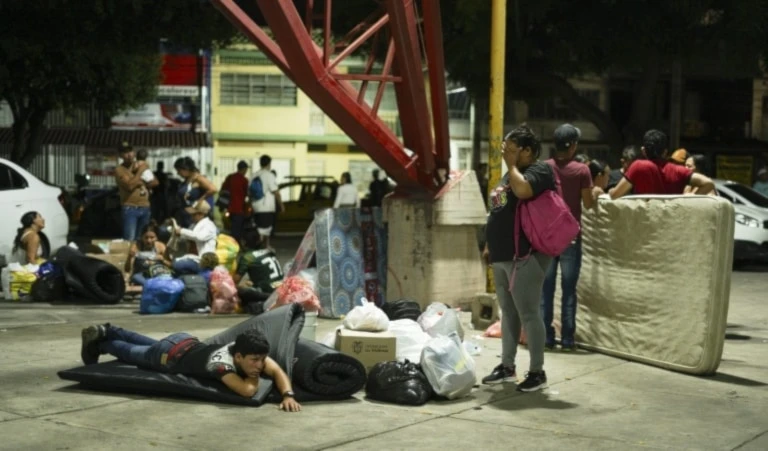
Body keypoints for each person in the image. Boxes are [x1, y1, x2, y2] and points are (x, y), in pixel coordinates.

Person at [481, 124, 556, 392]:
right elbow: (498, 210)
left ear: (527, 151)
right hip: (502, 254)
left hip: (525, 255)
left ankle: (537, 371)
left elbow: (523, 190)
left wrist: (512, 166)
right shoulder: (509, 174)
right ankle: (507, 367)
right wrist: (489, 244)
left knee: (529, 313)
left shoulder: (539, 171)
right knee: (508, 313)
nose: (505, 153)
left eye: (511, 149)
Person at [79, 324, 301, 412]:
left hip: (183, 340)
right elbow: (248, 391)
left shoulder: (243, 346)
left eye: (262, 360)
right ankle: (103, 343)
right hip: (169, 357)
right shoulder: (221, 365)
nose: (260, 365)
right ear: (239, 357)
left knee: (148, 343)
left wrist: (288, 395)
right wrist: (255, 375)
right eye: (254, 361)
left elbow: (277, 371)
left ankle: (107, 329)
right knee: (132, 353)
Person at [540, 124, 593, 351]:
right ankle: (568, 339)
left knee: (546, 289)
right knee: (569, 290)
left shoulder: (543, 167)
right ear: (572, 146)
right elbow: (588, 203)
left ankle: (546, 337)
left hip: (547, 238)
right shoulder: (582, 170)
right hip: (570, 237)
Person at [610, 130, 715, 198]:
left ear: (643, 151)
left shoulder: (637, 166)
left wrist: (610, 191)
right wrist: (690, 200)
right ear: (665, 152)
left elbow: (615, 195)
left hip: (645, 223)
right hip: (671, 224)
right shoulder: (679, 170)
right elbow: (709, 183)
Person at [115, 142, 152, 241]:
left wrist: (139, 180)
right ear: (120, 155)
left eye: (130, 151)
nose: (129, 154)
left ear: (134, 152)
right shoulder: (120, 169)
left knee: (143, 238)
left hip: (145, 206)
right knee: (130, 239)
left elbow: (154, 182)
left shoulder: (140, 164)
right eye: (125, 152)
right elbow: (130, 186)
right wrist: (140, 172)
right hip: (130, 207)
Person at [171, 200, 218, 275]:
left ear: (201, 214)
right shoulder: (194, 225)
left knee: (177, 265)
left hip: (203, 261)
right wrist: (178, 233)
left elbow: (200, 237)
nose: (191, 216)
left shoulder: (209, 225)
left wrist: (182, 231)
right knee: (174, 265)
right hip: (192, 258)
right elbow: (187, 237)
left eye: (194, 214)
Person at [233, 228, 284, 293]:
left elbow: (235, 281)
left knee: (237, 289)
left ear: (243, 242)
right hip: (282, 287)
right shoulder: (269, 251)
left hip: (268, 293)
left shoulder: (248, 257)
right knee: (248, 282)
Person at [251, 155, 284, 250]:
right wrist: (281, 205)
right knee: (265, 230)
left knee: (261, 228)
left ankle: (265, 246)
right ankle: (261, 247)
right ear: (269, 163)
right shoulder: (269, 175)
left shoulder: (253, 175)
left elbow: (249, 193)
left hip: (256, 207)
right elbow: (276, 192)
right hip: (266, 207)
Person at [174, 157, 217, 227]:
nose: (178, 173)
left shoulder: (198, 178)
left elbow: (213, 189)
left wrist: (200, 200)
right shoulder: (187, 180)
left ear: (186, 169)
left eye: (179, 170)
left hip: (195, 216)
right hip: (184, 215)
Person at [125, 222, 172, 286]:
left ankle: (153, 285)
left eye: (152, 237)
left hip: (157, 274)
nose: (149, 241)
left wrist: (163, 260)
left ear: (157, 237)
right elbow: (127, 269)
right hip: (141, 275)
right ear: (142, 237)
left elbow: (171, 265)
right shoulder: (136, 246)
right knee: (135, 277)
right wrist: (130, 257)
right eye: (146, 237)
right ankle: (152, 285)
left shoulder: (161, 247)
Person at [221, 160, 250, 242]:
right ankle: (235, 243)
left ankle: (234, 242)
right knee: (237, 229)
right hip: (239, 208)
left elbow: (223, 189)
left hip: (229, 208)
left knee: (232, 227)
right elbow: (247, 193)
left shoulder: (230, 177)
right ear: (244, 169)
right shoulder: (244, 180)